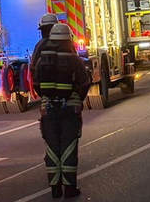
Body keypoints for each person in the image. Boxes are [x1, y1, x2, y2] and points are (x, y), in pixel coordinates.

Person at [32, 23, 90, 199]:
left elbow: (36, 84)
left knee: (51, 148)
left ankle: (55, 188)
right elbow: (85, 83)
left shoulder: (42, 60)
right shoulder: (74, 60)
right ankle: (70, 189)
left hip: (48, 110)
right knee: (69, 147)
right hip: (69, 110)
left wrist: (47, 98)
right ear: (68, 39)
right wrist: (76, 98)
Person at [29, 12, 59, 77]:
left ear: (43, 30)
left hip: (45, 86)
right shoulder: (67, 44)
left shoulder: (40, 45)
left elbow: (33, 68)